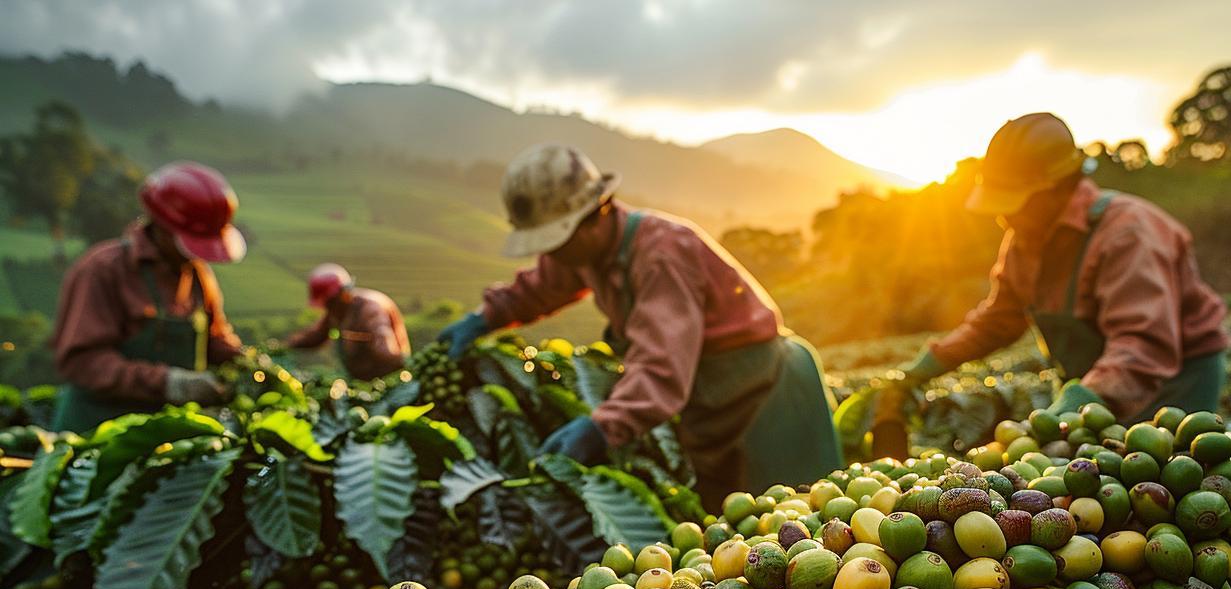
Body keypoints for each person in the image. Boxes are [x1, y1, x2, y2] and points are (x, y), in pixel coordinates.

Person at [437, 143, 843, 509]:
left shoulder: (662, 255)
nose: (553, 256)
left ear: (596, 215)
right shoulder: (587, 254)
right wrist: (484, 317)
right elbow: (543, 285)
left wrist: (603, 426)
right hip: (713, 396)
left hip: (767, 391)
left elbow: (662, 365)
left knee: (796, 518)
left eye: (558, 244)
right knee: (731, 524)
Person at [899, 113, 1227, 421]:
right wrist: (928, 364)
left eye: (1016, 202)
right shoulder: (1024, 238)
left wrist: (1081, 400)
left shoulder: (1127, 233)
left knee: (1167, 469)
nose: (1004, 217)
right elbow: (998, 320)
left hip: (1176, 379)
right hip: (1096, 383)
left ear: (1059, 189)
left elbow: (1142, 343)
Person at [51, 161, 247, 432]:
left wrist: (248, 362)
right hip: (97, 436)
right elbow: (82, 363)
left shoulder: (198, 275)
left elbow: (215, 338)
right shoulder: (103, 270)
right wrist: (168, 383)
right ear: (161, 227)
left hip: (170, 437)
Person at [282, 264, 410, 380]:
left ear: (344, 293)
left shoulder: (370, 310)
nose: (327, 308)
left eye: (329, 302)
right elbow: (317, 335)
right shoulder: (337, 310)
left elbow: (387, 352)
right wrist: (284, 346)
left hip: (388, 380)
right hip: (358, 380)